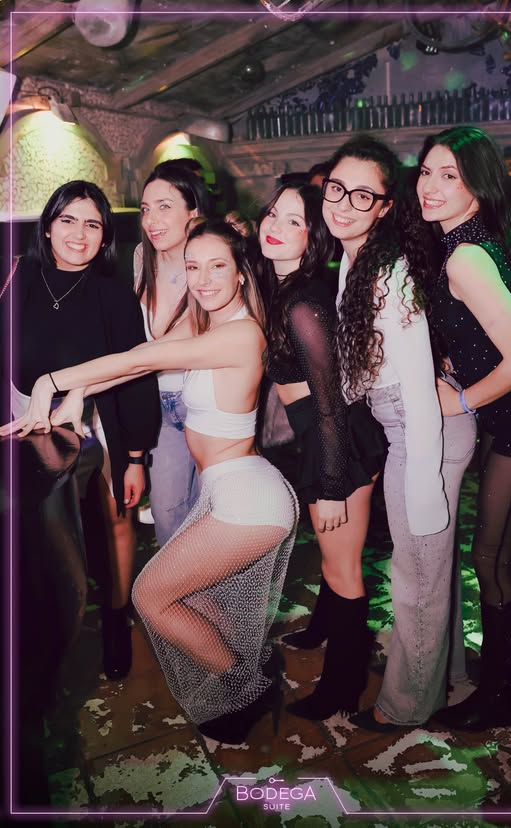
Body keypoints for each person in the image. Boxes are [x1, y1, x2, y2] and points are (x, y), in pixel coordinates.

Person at [3, 218, 299, 744]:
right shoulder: (206, 323)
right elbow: (138, 363)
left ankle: (249, 688)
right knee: (199, 601)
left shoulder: (241, 333)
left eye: (217, 266)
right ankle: (248, 676)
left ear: (241, 272)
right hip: (226, 491)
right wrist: (78, 394)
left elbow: (149, 357)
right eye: (193, 267)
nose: (202, 280)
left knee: (152, 596)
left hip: (249, 499)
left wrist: (52, 381)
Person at [322, 135, 478, 730]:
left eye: (363, 196)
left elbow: (415, 384)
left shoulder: (389, 273)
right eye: (337, 189)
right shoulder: (356, 260)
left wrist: (423, 478)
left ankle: (406, 706)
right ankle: (448, 675)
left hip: (424, 431)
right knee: (433, 568)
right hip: (411, 429)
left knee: (415, 577)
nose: (344, 205)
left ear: (385, 207)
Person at [1, 180, 160, 680]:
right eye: (67, 220)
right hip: (26, 420)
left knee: (116, 520)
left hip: (99, 421)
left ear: (105, 236)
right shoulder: (18, 279)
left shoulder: (113, 296)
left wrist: (135, 458)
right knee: (39, 530)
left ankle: (115, 617)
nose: (79, 233)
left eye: (92, 224)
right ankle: (42, 628)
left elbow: (135, 377)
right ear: (48, 227)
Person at [416, 126, 511, 731]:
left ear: (477, 187)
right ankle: (506, 679)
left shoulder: (465, 256)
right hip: (510, 417)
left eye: (451, 176)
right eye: (427, 172)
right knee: (500, 557)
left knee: (491, 558)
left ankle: (502, 694)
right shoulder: (466, 245)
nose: (431, 186)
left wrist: (460, 400)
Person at [258, 182, 385, 720]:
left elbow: (330, 402)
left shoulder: (303, 304)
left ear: (313, 238)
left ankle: (341, 689)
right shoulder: (284, 287)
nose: (275, 226)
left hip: (337, 442)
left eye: (294, 221)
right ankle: (324, 635)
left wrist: (332, 485)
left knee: (342, 569)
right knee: (337, 563)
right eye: (273, 213)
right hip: (324, 436)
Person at [135, 160, 213, 546]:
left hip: (206, 403)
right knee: (167, 519)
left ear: (192, 212)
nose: (152, 220)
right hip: (159, 406)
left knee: (208, 519)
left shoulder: (210, 261)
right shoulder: (141, 257)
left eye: (165, 207)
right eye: (146, 209)